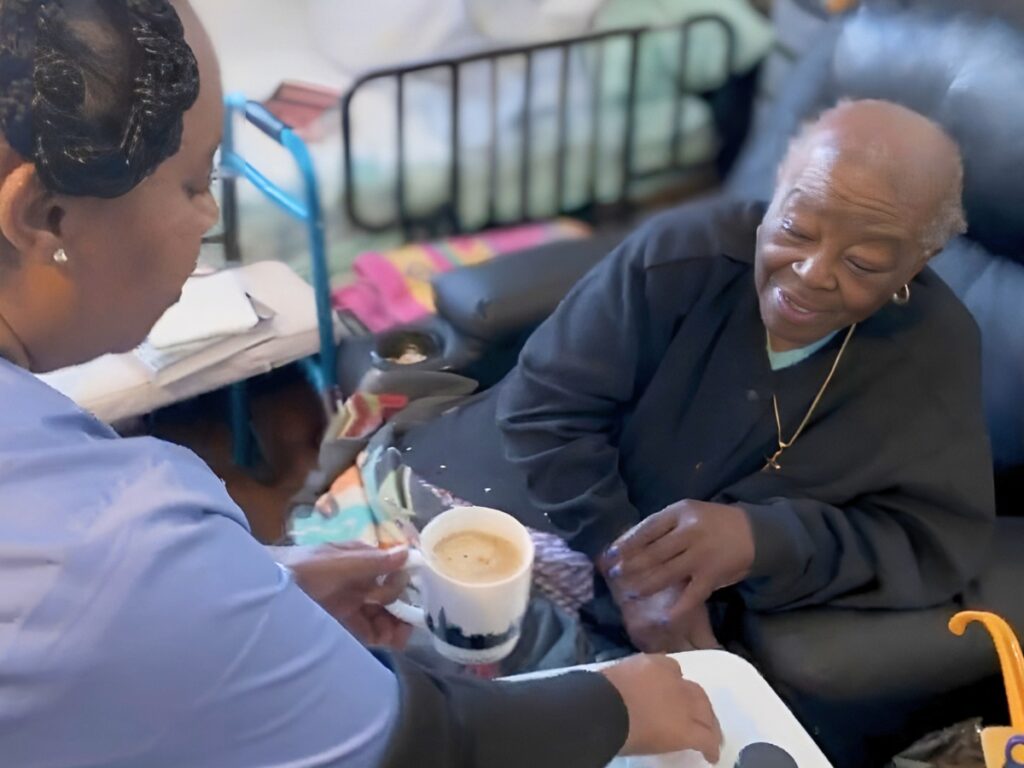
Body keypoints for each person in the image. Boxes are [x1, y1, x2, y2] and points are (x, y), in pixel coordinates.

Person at [0, 2, 723, 767]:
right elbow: (410, 746)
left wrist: (252, 591)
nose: (211, 213)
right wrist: (615, 707)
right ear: (44, 214)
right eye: (192, 184)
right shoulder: (115, 542)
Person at [398, 99, 996, 654]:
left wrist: (764, 539)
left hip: (686, 611)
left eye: (863, 261)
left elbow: (931, 536)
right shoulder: (681, 256)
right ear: (775, 196)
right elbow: (544, 409)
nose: (812, 273)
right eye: (795, 230)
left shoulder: (932, 354)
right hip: (515, 500)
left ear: (919, 261)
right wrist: (629, 568)